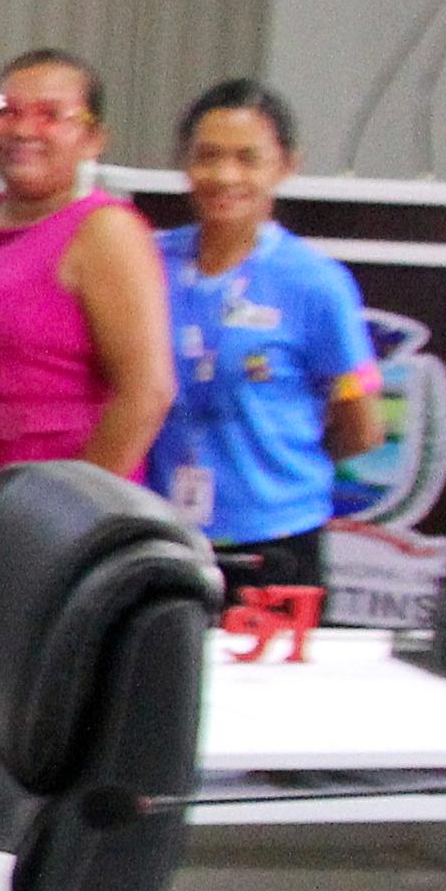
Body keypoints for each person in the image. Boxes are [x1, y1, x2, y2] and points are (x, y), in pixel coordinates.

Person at [0, 48, 171, 586]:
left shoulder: (107, 232)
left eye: (49, 115)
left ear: (92, 138)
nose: (23, 129)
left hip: (62, 492)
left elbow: (146, 393)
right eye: (7, 111)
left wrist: (76, 521)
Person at [147, 79, 382, 593]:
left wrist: (277, 460)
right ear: (185, 165)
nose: (225, 176)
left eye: (248, 159)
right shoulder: (147, 261)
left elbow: (362, 427)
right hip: (163, 536)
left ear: (286, 165)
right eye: (208, 157)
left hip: (276, 543)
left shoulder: (315, 283)